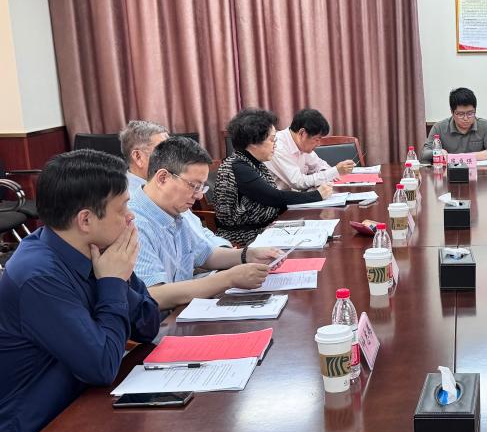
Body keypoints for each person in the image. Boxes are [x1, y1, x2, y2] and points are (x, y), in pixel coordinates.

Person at [0, 149, 160, 432]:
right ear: (85, 220)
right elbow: (101, 367)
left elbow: (148, 326)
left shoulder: (99, 250)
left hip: (81, 403)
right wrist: (113, 282)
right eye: (123, 207)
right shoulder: (37, 276)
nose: (131, 216)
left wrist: (120, 279)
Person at [130, 136, 282, 309]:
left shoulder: (175, 210)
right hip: (160, 321)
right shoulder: (135, 223)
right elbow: (153, 295)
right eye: (194, 186)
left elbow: (205, 255)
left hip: (184, 310)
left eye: (202, 187)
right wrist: (228, 279)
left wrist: (247, 255)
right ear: (163, 178)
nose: (199, 195)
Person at [215, 108, 333, 245]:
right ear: (254, 142)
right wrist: (317, 195)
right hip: (245, 237)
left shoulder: (254, 163)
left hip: (268, 228)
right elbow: (274, 197)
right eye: (272, 140)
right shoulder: (239, 166)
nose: (275, 145)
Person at [119, 120, 231, 248]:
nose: (173, 155)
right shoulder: (127, 201)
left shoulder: (174, 187)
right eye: (162, 149)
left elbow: (198, 231)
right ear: (138, 157)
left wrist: (225, 248)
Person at [267, 108, 355, 191]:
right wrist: (335, 171)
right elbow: (298, 182)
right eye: (317, 139)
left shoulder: (302, 144)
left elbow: (319, 165)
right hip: (279, 200)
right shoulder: (277, 146)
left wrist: (330, 173)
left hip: (299, 196)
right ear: (302, 133)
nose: (319, 144)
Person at [420, 87, 487, 162]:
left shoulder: (485, 126)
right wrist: (438, 152)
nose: (466, 118)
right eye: (460, 114)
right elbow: (424, 154)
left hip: (478, 170)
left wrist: (466, 157)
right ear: (452, 112)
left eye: (470, 113)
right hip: (449, 170)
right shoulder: (439, 127)